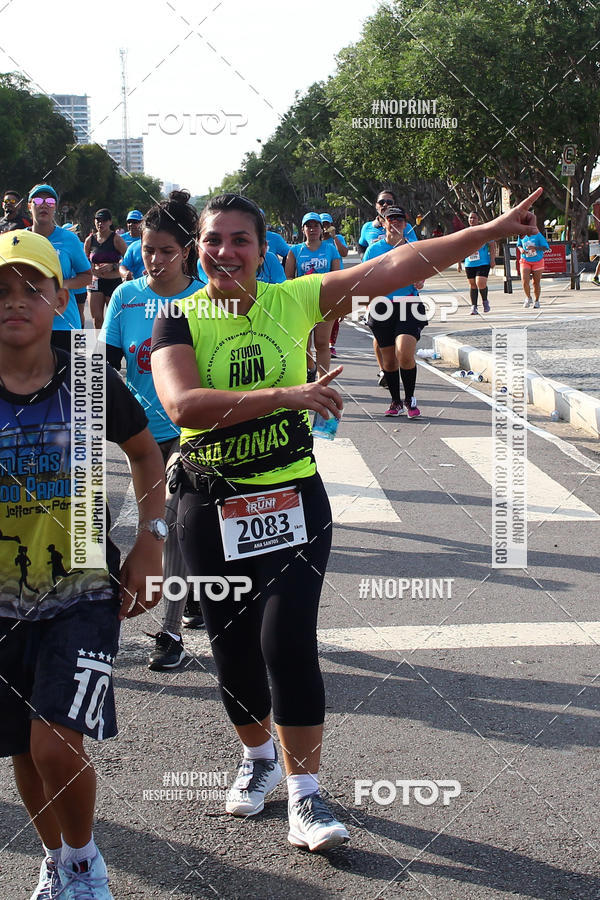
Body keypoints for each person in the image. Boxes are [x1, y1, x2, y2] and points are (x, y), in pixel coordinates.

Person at [150, 187, 542, 852]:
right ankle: (257, 756)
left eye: (239, 240)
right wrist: (289, 395)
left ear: (262, 251)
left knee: (287, 643)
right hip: (209, 508)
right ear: (198, 249)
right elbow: (184, 405)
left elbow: (402, 264)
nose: (225, 252)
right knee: (233, 656)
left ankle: (307, 796)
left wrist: (490, 230)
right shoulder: (177, 321)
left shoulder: (296, 297)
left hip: (291, 502)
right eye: (213, 240)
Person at [0, 229, 165, 899]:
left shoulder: (88, 368)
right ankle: (54, 860)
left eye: (31, 287)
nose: (15, 301)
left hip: (82, 588)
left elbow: (146, 453)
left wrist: (151, 540)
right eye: (0, 291)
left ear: (61, 295)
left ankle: (86, 861)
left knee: (53, 746)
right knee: (20, 752)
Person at [100, 190, 205, 671]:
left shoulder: (205, 300)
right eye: (147, 251)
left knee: (175, 531)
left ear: (186, 250)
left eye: (166, 251)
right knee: (152, 528)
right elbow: (107, 367)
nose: (156, 260)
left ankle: (171, 631)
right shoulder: (125, 296)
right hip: (140, 438)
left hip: (192, 434)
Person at [363, 207, 427, 417]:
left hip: (408, 304)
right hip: (382, 306)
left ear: (405, 224)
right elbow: (364, 278)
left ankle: (410, 399)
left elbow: (423, 274)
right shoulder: (373, 250)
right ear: (383, 222)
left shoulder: (412, 248)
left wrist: (421, 280)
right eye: (391, 219)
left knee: (405, 352)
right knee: (389, 361)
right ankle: (395, 401)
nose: (395, 222)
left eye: (400, 219)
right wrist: (366, 305)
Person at [28, 184, 92, 352]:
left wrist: (63, 285)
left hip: (65, 324)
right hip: (30, 324)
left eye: (49, 201)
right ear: (29, 205)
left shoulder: (69, 239)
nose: (44, 204)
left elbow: (87, 276)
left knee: (86, 375)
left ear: (55, 207)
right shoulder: (19, 239)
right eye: (38, 200)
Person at [285, 212, 341, 380]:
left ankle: (322, 382)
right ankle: (309, 371)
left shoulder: (330, 249)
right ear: (303, 229)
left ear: (321, 228)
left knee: (322, 344)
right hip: (302, 302)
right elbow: (288, 278)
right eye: (308, 226)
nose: (312, 229)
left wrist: (341, 305)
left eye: (316, 225)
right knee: (303, 344)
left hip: (326, 302)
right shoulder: (295, 251)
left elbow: (338, 278)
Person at [84, 209, 128, 329]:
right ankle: (99, 347)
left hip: (113, 281)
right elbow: (84, 261)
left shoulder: (116, 239)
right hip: (95, 282)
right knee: (97, 319)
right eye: (98, 221)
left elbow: (128, 259)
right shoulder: (90, 240)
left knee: (114, 319)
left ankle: (113, 346)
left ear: (110, 222)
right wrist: (91, 267)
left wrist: (113, 266)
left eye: (104, 221)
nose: (100, 224)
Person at [320, 214, 348, 359]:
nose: (325, 227)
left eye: (327, 224)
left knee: (335, 314)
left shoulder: (337, 239)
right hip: (321, 280)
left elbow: (344, 253)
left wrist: (334, 237)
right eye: (322, 224)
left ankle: (331, 344)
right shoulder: (316, 240)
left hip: (337, 278)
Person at [357, 190, 417, 255]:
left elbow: (415, 247)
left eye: (389, 202)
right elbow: (361, 246)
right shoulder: (367, 227)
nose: (385, 205)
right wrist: (363, 257)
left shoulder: (405, 226)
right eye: (381, 202)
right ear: (376, 205)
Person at [463, 211, 497, 314]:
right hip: (469, 263)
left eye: (474, 218)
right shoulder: (465, 232)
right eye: (470, 218)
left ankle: (485, 301)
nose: (472, 220)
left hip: (483, 262)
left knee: (480, 283)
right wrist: (459, 263)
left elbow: (492, 245)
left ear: (478, 220)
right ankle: (474, 306)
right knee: (473, 284)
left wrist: (492, 259)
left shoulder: (484, 231)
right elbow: (460, 248)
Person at [517, 222, 549, 308]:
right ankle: (528, 297)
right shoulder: (521, 235)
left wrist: (535, 248)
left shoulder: (538, 235)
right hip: (525, 260)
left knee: (536, 282)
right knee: (524, 280)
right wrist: (521, 250)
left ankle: (537, 300)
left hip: (537, 260)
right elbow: (519, 245)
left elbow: (546, 247)